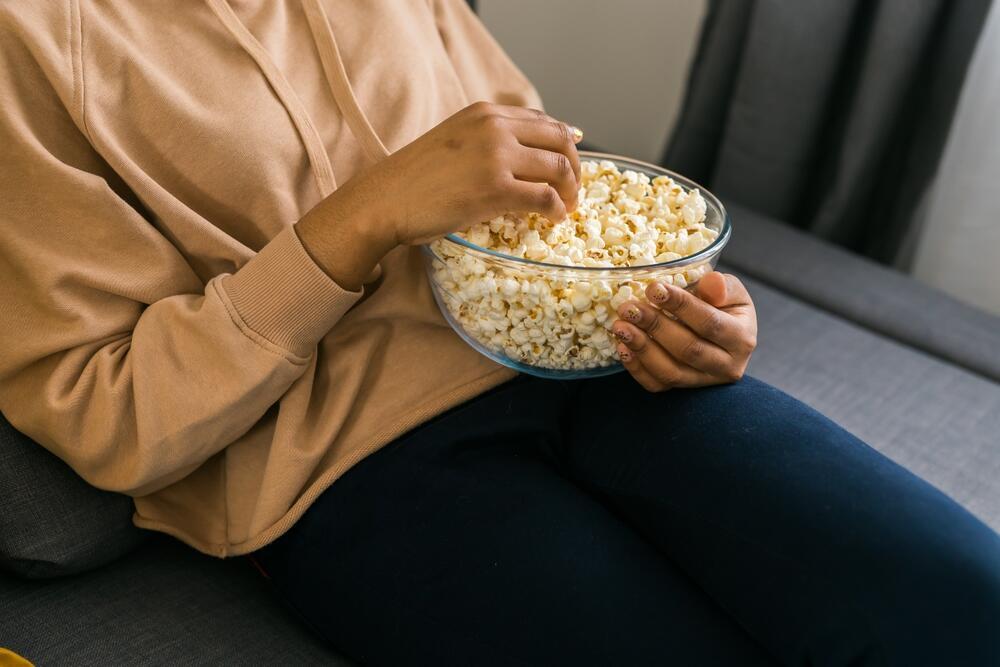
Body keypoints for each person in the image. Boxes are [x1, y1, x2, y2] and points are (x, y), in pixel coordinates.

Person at [1, 1, 997, 665]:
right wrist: (359, 219)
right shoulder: (27, 41)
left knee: (965, 601)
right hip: (345, 473)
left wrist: (669, 299)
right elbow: (107, 419)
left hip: (597, 375)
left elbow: (545, 172)